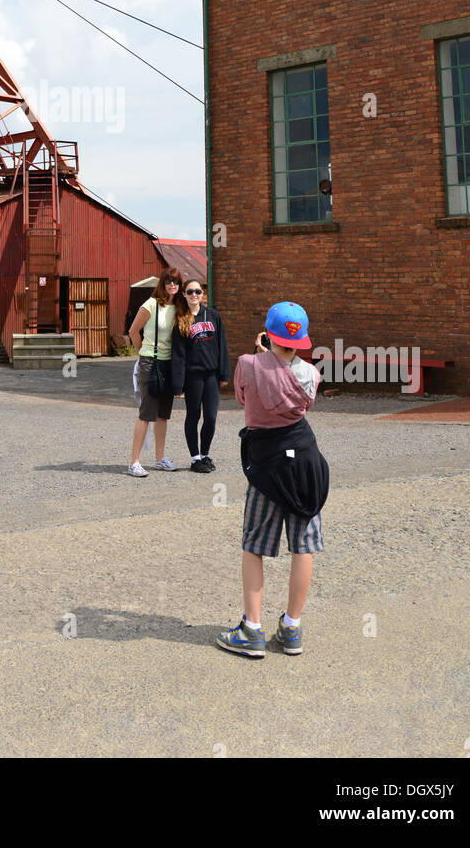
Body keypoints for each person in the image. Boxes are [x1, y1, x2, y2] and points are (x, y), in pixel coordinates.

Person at [216, 300, 329, 658]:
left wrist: (263, 356)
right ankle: (292, 627)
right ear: (303, 340)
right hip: (304, 462)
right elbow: (296, 396)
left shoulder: (248, 365)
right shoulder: (312, 374)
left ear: (268, 331)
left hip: (267, 465)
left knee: (255, 545)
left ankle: (252, 629)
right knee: (304, 545)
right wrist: (276, 359)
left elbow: (243, 397)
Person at [127, 268, 182, 477]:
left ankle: (159, 459)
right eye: (168, 281)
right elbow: (133, 331)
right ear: (163, 283)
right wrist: (142, 353)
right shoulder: (151, 304)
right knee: (146, 413)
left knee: (163, 415)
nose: (172, 285)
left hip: (169, 364)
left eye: (176, 282)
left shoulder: (178, 307)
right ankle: (134, 462)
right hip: (150, 362)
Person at [170, 279, 229, 472]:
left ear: (202, 294)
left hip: (211, 375)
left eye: (197, 291)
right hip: (192, 377)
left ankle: (205, 455)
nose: (194, 295)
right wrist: (178, 385)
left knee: (211, 417)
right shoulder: (181, 318)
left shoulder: (213, 316)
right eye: (190, 292)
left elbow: (222, 346)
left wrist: (224, 372)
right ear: (184, 295)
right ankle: (195, 458)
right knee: (193, 416)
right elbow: (178, 354)